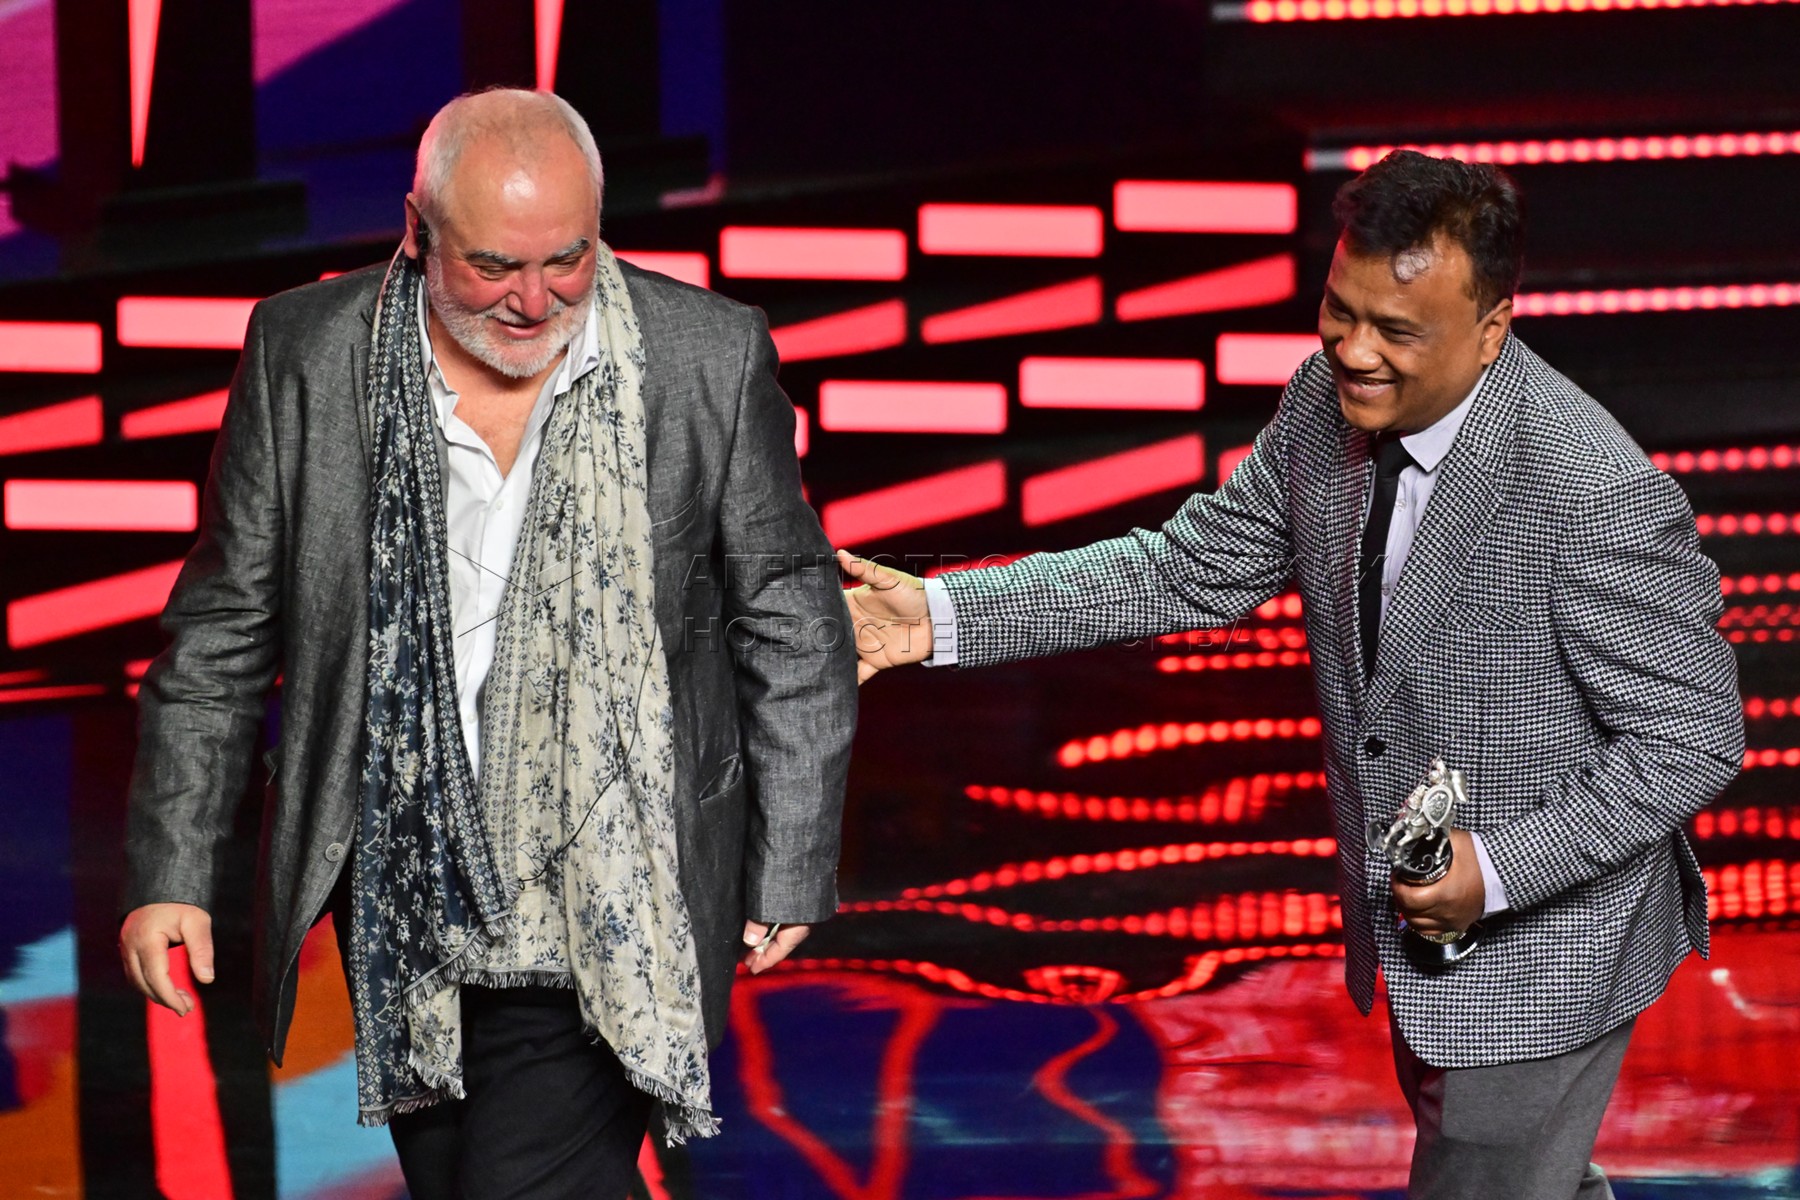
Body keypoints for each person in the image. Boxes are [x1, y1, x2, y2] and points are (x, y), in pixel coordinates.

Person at [839, 150, 1742, 1198]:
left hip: (1544, 949)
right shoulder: (1326, 401)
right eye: (1339, 311)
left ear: (1491, 329)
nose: (1353, 351)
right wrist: (940, 617)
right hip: (1417, 926)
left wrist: (1494, 872)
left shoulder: (1589, 486)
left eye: (1396, 330)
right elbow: (1189, 568)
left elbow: (1693, 736)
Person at [117, 88, 857, 1198]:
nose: (534, 300)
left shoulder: (705, 354)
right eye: (494, 266)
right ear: (417, 230)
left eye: (568, 259)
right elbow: (225, 624)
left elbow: (789, 608)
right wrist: (172, 868)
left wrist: (790, 854)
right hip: (402, 888)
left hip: (618, 883)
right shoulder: (308, 352)